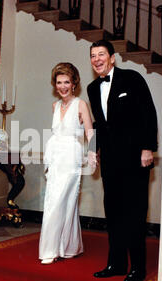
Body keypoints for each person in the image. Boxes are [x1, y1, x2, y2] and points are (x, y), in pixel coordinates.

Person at [87, 40, 158, 281]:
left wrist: (148, 147)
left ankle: (138, 267)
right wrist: (93, 150)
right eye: (93, 56)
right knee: (114, 213)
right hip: (110, 161)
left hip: (136, 158)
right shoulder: (92, 88)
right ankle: (116, 264)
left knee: (135, 214)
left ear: (112, 57)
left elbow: (148, 113)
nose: (97, 59)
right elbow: (98, 124)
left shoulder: (132, 78)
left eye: (101, 54)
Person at [39, 62, 97, 264]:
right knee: (55, 200)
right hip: (55, 158)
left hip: (72, 157)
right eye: (58, 82)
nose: (62, 86)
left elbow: (90, 132)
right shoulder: (55, 106)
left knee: (63, 200)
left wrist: (91, 154)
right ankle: (69, 247)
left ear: (74, 84)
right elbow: (56, 134)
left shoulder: (81, 104)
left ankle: (51, 250)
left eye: (66, 82)